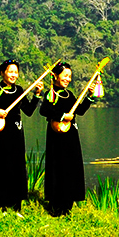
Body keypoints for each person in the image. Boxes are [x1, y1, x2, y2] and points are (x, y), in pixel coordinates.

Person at [0, 60, 43, 211]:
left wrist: (37, 95)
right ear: (2, 73)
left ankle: (16, 204)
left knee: (17, 166)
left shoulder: (19, 91)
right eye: (10, 71)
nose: (13, 75)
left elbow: (29, 111)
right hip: (0, 133)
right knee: (1, 165)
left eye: (15, 72)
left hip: (17, 132)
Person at [40, 61, 101, 216]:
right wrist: (61, 115)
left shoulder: (69, 94)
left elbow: (79, 111)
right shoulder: (51, 93)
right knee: (58, 167)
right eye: (65, 75)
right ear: (55, 76)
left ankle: (68, 203)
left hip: (71, 136)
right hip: (57, 135)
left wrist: (89, 96)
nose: (68, 79)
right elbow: (44, 110)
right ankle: (56, 204)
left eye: (69, 76)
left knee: (71, 168)